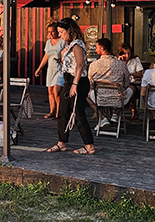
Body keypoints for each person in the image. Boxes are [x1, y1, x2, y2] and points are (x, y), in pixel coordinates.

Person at [46, 17, 95, 155]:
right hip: (68, 80)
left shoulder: (77, 44)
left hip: (77, 81)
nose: (60, 35)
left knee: (78, 113)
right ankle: (62, 142)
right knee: (62, 112)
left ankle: (89, 145)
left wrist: (75, 84)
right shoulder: (69, 45)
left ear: (69, 30)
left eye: (61, 32)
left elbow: (80, 65)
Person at [87, 38, 131, 130]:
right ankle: (116, 113)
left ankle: (102, 117)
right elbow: (127, 83)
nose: (96, 50)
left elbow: (91, 83)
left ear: (102, 49)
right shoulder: (121, 64)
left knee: (87, 94)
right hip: (118, 99)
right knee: (132, 90)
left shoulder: (93, 65)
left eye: (97, 48)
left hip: (100, 98)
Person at [34, 22, 65, 119]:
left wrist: (62, 59)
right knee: (50, 90)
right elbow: (46, 56)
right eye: (49, 32)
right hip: (51, 68)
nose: (51, 34)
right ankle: (52, 110)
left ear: (57, 31)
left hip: (60, 69)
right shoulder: (48, 42)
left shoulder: (62, 41)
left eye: (53, 32)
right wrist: (39, 68)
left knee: (57, 91)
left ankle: (59, 112)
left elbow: (67, 53)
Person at [118, 43, 144, 119]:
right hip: (120, 84)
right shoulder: (117, 60)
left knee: (130, 91)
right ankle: (117, 110)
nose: (127, 56)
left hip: (133, 83)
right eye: (125, 53)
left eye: (129, 53)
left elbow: (140, 74)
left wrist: (130, 74)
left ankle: (132, 111)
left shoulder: (135, 60)